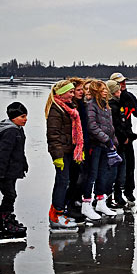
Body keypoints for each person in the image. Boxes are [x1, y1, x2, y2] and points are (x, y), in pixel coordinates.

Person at [45, 80, 83, 230]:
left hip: (69, 151)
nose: (73, 94)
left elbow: (74, 132)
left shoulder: (68, 107)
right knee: (62, 181)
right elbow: (53, 136)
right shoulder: (56, 110)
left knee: (66, 181)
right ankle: (56, 215)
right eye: (70, 92)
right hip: (61, 153)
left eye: (73, 92)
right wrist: (57, 156)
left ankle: (60, 212)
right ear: (62, 93)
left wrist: (79, 148)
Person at [0, 102, 29, 242]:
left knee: (11, 195)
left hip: (12, 170)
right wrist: (0, 172)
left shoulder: (18, 129)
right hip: (5, 172)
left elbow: (19, 151)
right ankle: (3, 224)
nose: (25, 119)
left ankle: (8, 220)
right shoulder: (10, 131)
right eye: (22, 116)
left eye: (26, 116)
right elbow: (2, 153)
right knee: (9, 195)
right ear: (13, 117)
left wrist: (23, 164)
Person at [84, 80, 118, 220]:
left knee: (103, 174)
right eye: (102, 89)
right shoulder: (91, 106)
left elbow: (109, 126)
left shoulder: (106, 107)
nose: (105, 91)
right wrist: (106, 139)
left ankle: (101, 202)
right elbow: (92, 126)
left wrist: (113, 141)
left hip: (106, 146)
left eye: (105, 89)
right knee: (92, 175)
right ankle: (86, 204)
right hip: (95, 145)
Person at [109, 72, 137, 204]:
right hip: (115, 138)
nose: (123, 84)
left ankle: (129, 191)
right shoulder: (110, 100)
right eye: (120, 82)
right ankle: (114, 193)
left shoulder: (128, 96)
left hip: (128, 135)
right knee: (116, 167)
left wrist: (130, 99)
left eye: (124, 82)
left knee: (130, 165)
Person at [64, 77, 87, 223]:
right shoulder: (71, 108)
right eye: (78, 90)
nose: (81, 92)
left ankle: (76, 202)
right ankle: (68, 205)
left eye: (81, 90)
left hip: (81, 146)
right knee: (73, 178)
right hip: (72, 147)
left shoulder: (81, 106)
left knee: (81, 176)